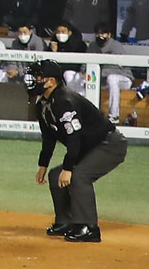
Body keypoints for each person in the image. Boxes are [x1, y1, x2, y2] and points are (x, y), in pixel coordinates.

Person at [30, 59, 126, 243]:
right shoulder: (42, 104)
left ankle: (89, 228)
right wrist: (43, 165)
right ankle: (66, 222)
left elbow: (74, 137)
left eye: (37, 76)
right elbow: (49, 138)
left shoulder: (64, 101)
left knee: (79, 175)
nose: (33, 80)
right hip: (89, 146)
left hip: (109, 144)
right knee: (54, 175)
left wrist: (69, 167)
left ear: (50, 81)